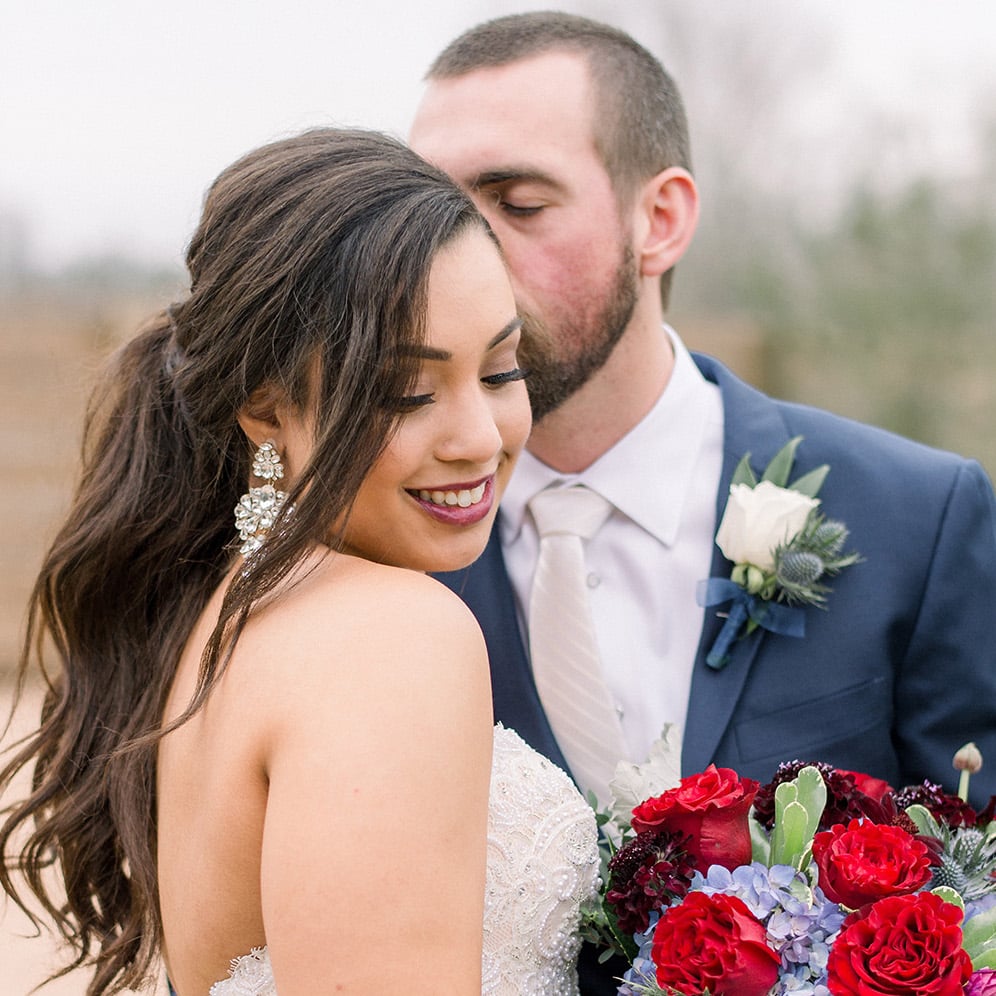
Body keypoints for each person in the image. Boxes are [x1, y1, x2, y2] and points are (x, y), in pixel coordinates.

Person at [411, 14, 996, 990]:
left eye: (516, 202)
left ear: (663, 219)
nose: (460, 255)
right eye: (430, 211)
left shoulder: (919, 521)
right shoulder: (375, 553)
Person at [0, 129, 600, 995]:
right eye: (410, 391)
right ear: (264, 408)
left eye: (501, 371)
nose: (479, 437)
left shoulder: (230, 610)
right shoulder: (394, 636)